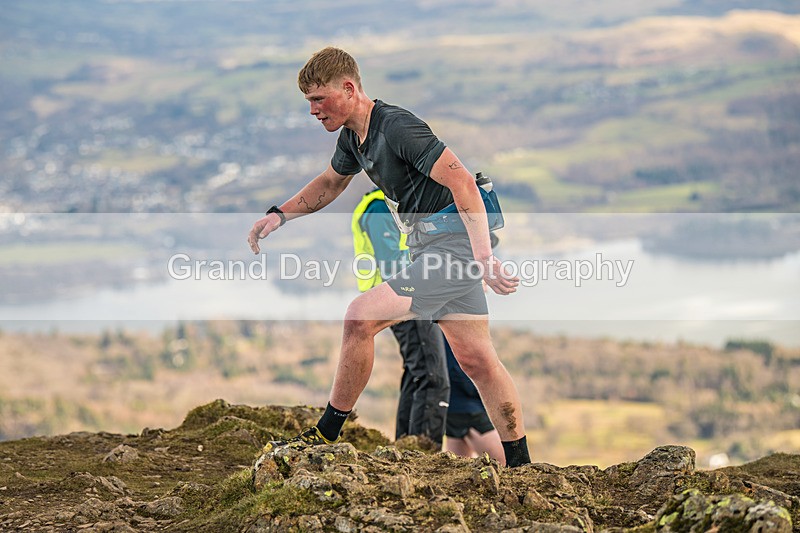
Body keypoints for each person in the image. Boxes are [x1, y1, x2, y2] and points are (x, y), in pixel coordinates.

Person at [248, 47, 531, 467]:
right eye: (308, 101)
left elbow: (464, 184)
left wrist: (484, 258)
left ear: (349, 89)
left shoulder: (396, 126)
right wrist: (279, 215)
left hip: (452, 249)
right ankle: (521, 464)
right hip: (432, 248)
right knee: (478, 361)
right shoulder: (353, 137)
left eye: (318, 99)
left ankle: (325, 432)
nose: (312, 110)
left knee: (359, 317)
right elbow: (330, 183)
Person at [352, 188, 449, 447]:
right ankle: (423, 455)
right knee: (432, 378)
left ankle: (405, 448)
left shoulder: (394, 206)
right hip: (404, 301)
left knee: (417, 375)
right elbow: (392, 265)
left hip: (406, 298)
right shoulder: (379, 209)